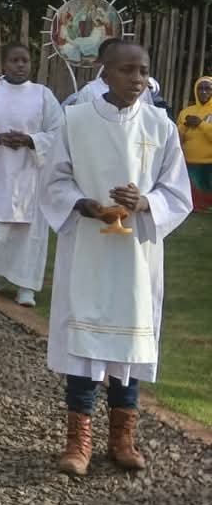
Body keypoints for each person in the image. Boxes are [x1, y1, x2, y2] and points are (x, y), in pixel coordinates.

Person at [40, 41, 191, 477]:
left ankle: (122, 438)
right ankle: (79, 441)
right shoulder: (75, 120)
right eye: (127, 70)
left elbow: (176, 191)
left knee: (131, 340)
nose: (137, 79)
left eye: (143, 70)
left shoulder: (161, 126)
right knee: (84, 343)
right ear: (104, 73)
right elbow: (54, 181)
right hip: (88, 247)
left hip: (136, 255)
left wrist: (145, 203)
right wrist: (82, 204)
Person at [0, 44, 62, 307]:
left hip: (30, 169)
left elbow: (58, 130)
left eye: (25, 60)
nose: (20, 65)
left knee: (28, 229)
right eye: (14, 60)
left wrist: (31, 140)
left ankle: (26, 286)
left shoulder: (43, 95)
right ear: (4, 64)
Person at [67, 38, 160, 108]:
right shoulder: (90, 91)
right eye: (126, 70)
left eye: (144, 72)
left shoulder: (159, 122)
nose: (137, 79)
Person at [177, 75, 212, 212]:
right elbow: (177, 137)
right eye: (200, 88)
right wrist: (185, 126)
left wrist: (201, 124)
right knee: (194, 199)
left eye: (208, 89)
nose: (203, 92)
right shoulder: (186, 112)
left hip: (210, 162)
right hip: (190, 162)